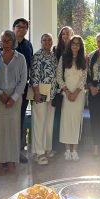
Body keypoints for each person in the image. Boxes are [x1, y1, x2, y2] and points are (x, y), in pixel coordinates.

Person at [0, 18, 33, 163]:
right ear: (14, 28)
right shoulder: (1, 45)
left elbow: (29, 68)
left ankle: (17, 151)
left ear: (27, 30)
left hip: (21, 90)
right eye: (18, 26)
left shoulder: (28, 45)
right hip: (1, 93)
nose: (21, 29)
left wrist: (18, 93)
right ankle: (2, 154)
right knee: (3, 124)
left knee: (19, 120)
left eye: (24, 27)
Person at [0, 30, 27, 175]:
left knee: (12, 129)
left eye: (9, 41)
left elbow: (23, 80)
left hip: (15, 99)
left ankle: (11, 161)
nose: (6, 44)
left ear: (13, 42)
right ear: (0, 42)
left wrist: (13, 97)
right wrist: (0, 94)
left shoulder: (21, 58)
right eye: (3, 41)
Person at [57, 35, 87, 161]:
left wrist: (75, 93)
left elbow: (84, 78)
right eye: (73, 43)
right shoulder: (64, 58)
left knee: (76, 122)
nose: (75, 45)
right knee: (66, 122)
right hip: (66, 95)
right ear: (70, 45)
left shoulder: (84, 59)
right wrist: (68, 92)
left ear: (81, 46)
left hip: (79, 96)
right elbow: (58, 77)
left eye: (78, 44)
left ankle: (75, 150)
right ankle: (67, 150)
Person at [30, 33, 57, 165]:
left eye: (49, 39)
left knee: (48, 123)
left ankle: (47, 149)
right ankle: (38, 153)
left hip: (51, 94)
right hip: (40, 94)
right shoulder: (37, 55)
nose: (47, 42)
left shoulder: (53, 55)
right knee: (39, 123)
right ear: (41, 42)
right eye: (44, 39)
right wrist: (36, 93)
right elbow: (34, 75)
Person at [52, 26, 74, 151]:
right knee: (58, 117)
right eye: (63, 34)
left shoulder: (76, 50)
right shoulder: (55, 49)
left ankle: (70, 145)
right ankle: (57, 146)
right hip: (59, 89)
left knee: (69, 117)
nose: (65, 36)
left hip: (73, 88)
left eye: (68, 33)